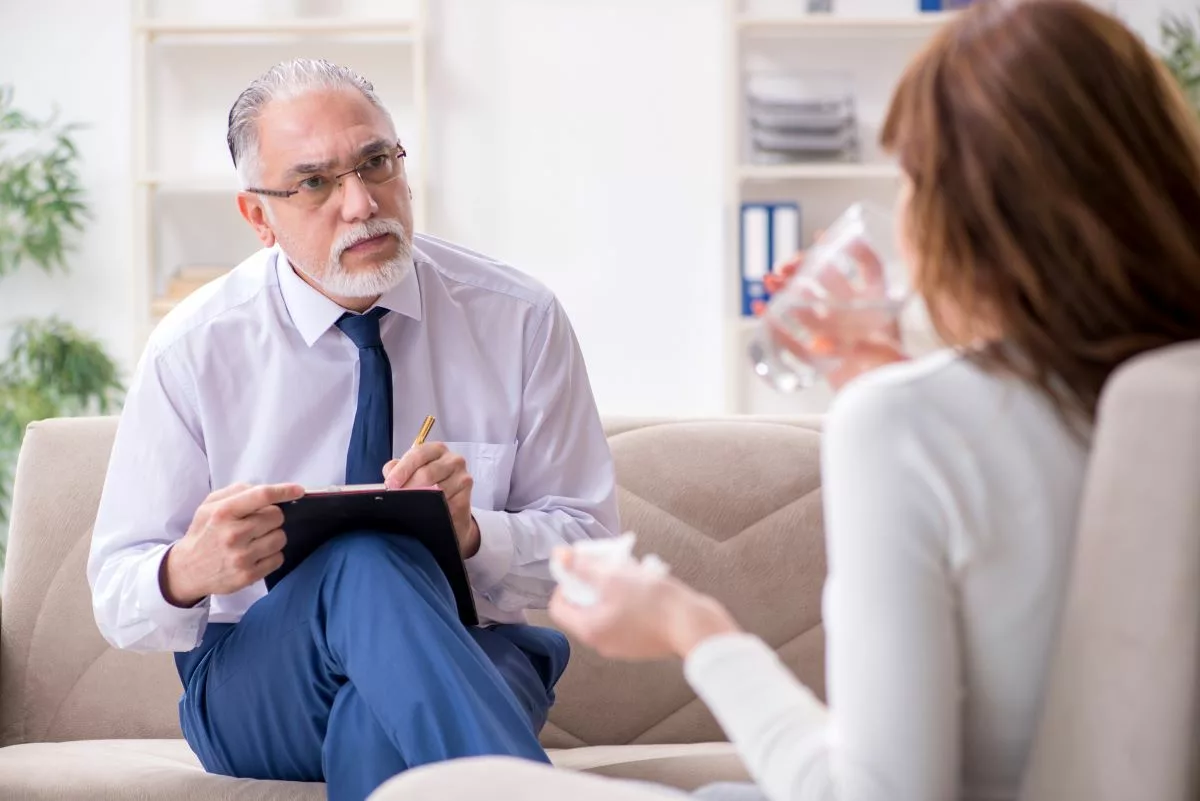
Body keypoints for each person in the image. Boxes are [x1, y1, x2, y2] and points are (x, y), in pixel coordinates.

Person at [545, 1, 1200, 800]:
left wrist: (689, 626)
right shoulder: (1165, 394)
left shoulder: (906, 425)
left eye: (914, 179)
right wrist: (886, 381)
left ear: (969, 213)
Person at [86, 58, 619, 801]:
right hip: (257, 679)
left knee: (376, 720)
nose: (362, 203)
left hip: (472, 649)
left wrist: (473, 533)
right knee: (365, 558)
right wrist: (190, 567)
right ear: (257, 217)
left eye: (376, 163)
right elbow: (115, 594)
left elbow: (593, 552)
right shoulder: (194, 348)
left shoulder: (518, 319)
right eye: (315, 182)